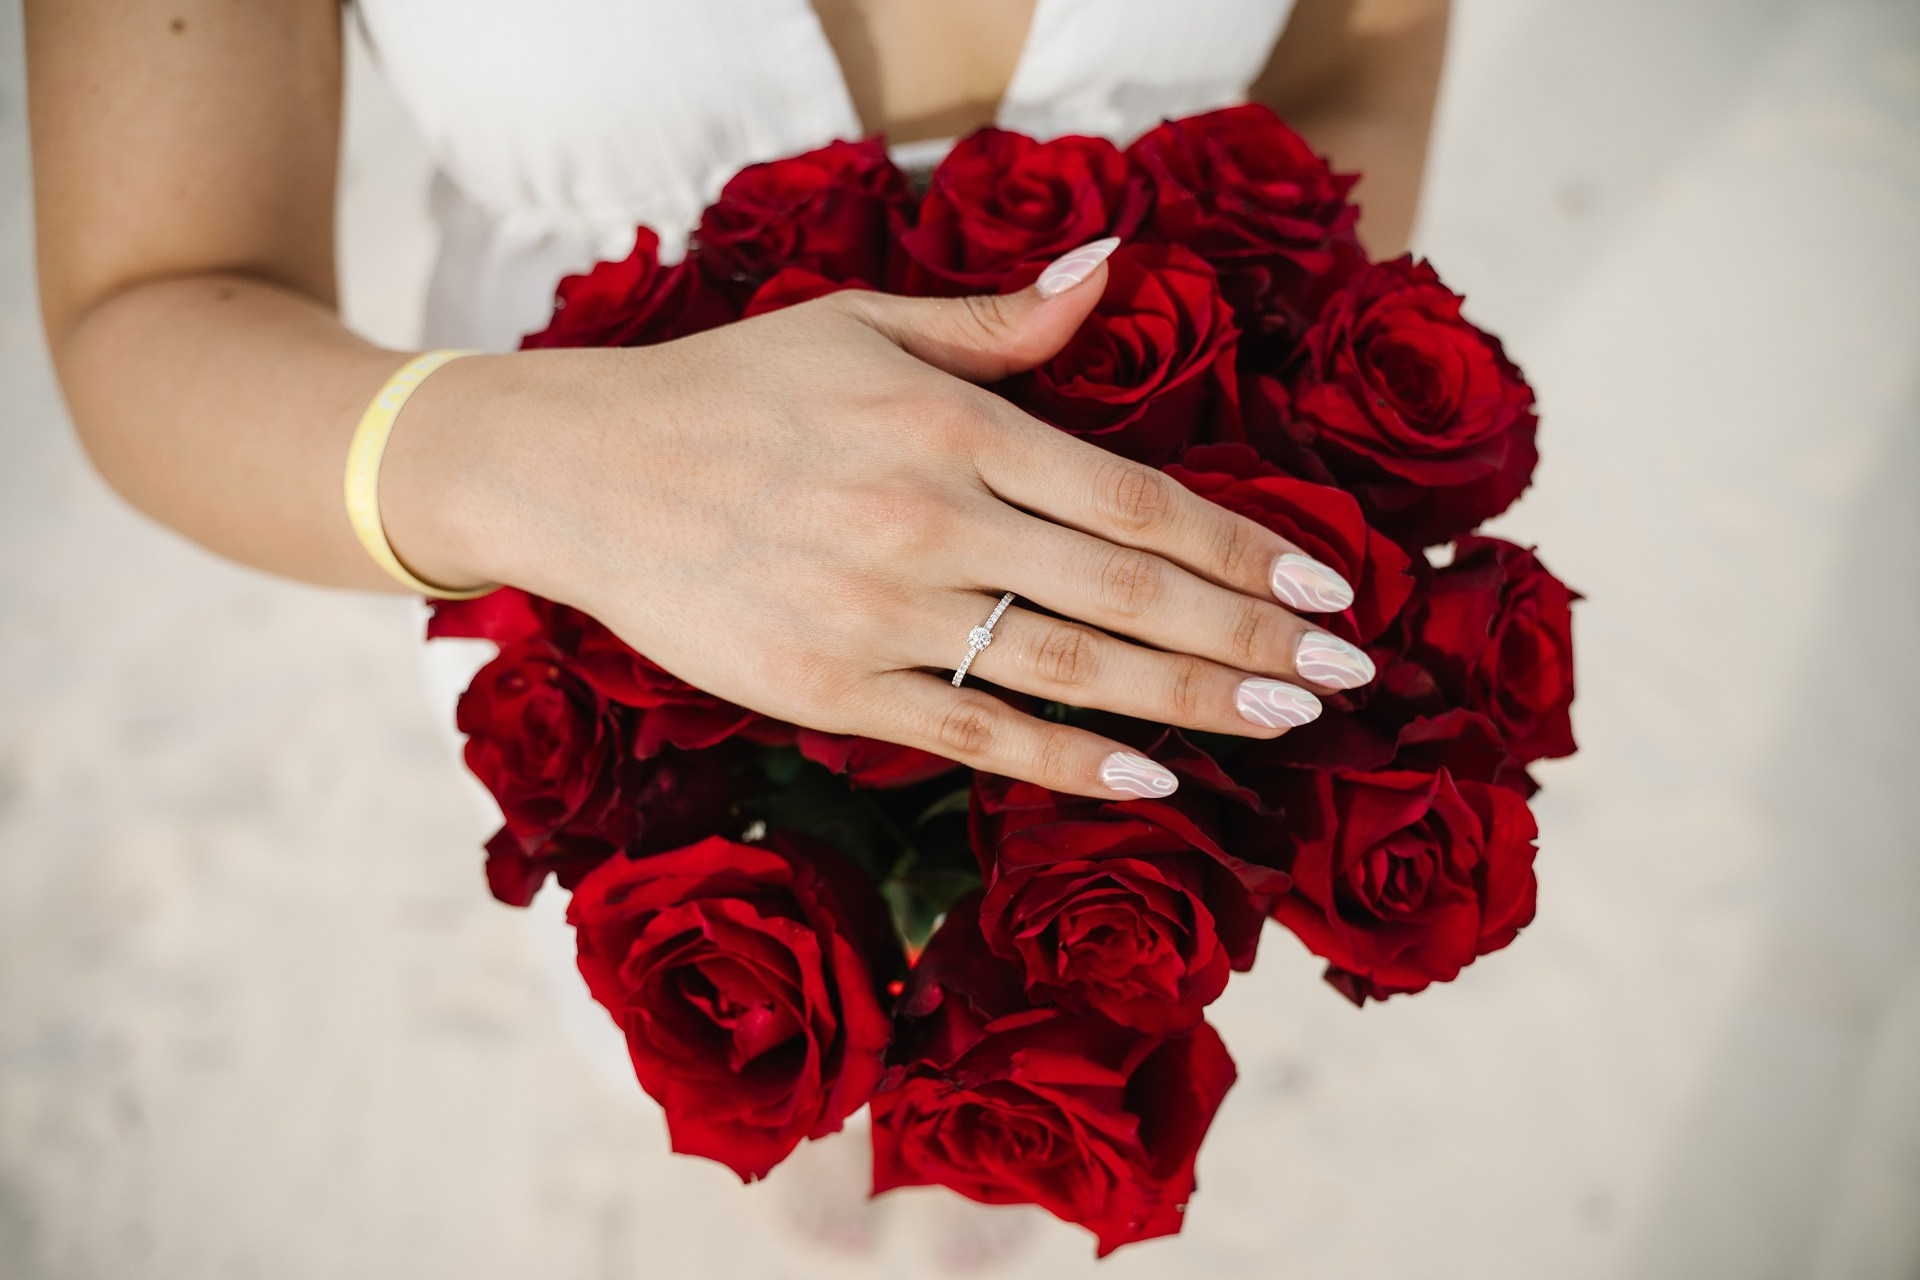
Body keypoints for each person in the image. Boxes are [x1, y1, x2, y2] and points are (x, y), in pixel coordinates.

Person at [26, 0, 1446, 802]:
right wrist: (566, 476)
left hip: (1137, 632)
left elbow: (1353, 63)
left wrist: (1258, 448)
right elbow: (150, 305)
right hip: (605, 641)